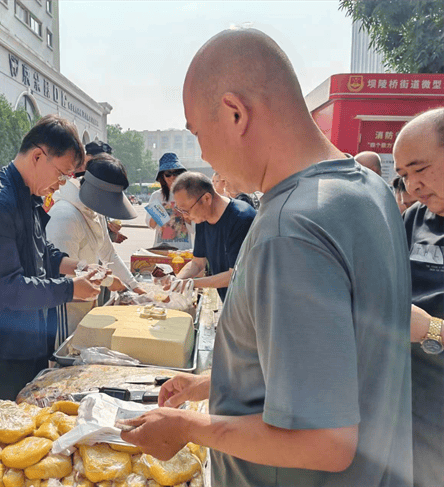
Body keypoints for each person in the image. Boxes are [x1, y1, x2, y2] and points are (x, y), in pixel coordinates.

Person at [120, 29, 412, 487]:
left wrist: (188, 427)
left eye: (199, 133)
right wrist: (220, 382)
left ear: (235, 113)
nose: (206, 156)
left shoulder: (289, 231)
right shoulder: (366, 187)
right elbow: (331, 356)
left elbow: (325, 441)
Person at [0, 115, 106, 409]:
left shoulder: (27, 195)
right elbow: (7, 287)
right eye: (62, 174)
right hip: (1, 348)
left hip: (29, 338)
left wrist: (79, 268)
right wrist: (70, 289)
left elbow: (44, 254)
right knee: (4, 430)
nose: (62, 184)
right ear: (38, 156)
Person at [393, 107, 444, 487]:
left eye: (419, 169)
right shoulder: (415, 219)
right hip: (406, 405)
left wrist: (432, 329)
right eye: (404, 176)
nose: (411, 186)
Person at [46, 153, 145, 339]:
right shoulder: (65, 217)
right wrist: (111, 281)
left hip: (86, 302)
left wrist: (135, 287)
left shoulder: (92, 208)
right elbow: (67, 275)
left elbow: (109, 254)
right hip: (63, 311)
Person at [172, 172, 255, 302]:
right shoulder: (202, 218)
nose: (185, 216)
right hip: (229, 301)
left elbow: (234, 275)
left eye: (186, 210)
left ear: (206, 199)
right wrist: (176, 281)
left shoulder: (241, 218)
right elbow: (197, 262)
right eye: (180, 210)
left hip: (253, 303)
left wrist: (192, 283)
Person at [145, 153, 194, 249]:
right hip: (161, 247)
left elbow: (194, 228)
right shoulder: (157, 196)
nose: (172, 177)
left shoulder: (189, 195)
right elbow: (151, 225)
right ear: (162, 176)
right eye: (168, 174)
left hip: (183, 249)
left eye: (176, 173)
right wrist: (158, 212)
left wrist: (186, 216)